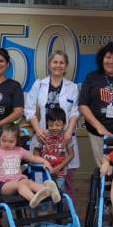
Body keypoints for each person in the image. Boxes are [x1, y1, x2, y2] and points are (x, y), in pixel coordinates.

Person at [24, 49, 81, 192]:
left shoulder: (73, 87)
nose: (58, 65)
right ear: (49, 64)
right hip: (43, 137)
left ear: (66, 66)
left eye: (62, 63)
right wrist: (38, 130)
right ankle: (43, 205)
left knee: (65, 180)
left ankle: (65, 206)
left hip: (65, 139)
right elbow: (29, 109)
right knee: (41, 178)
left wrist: (69, 131)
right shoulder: (39, 84)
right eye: (55, 62)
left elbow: (75, 112)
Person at [0, 125, 61, 208]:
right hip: (1, 185)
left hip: (18, 180)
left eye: (11, 141)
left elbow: (33, 158)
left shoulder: (20, 150)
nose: (7, 143)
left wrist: (45, 161)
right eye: (3, 140)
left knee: (27, 182)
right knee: (20, 184)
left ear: (16, 141)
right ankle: (33, 199)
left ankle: (47, 191)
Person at [38, 107, 73, 194]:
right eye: (51, 125)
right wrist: (47, 168)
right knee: (44, 193)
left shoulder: (66, 137)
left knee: (60, 193)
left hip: (59, 173)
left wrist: (58, 168)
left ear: (64, 124)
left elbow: (71, 154)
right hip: (44, 171)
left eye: (58, 125)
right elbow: (36, 153)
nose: (54, 128)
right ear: (47, 124)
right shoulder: (43, 136)